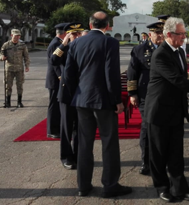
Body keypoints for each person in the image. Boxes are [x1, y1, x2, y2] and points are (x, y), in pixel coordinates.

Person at [144, 17, 189, 202]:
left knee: (176, 153)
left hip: (175, 110)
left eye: (185, 34)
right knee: (159, 153)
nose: (185, 37)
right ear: (169, 35)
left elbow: (183, 77)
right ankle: (162, 187)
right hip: (159, 111)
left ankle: (180, 189)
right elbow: (176, 80)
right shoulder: (161, 54)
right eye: (181, 34)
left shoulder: (178, 51)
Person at [62, 11, 132, 198]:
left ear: (90, 24)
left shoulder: (76, 42)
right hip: (103, 101)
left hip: (82, 100)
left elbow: (68, 74)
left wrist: (77, 93)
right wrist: (117, 100)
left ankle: (83, 186)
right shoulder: (109, 42)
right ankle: (110, 185)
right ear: (107, 26)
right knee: (109, 143)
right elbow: (111, 74)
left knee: (84, 144)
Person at [127, 21, 165, 176]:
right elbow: (132, 73)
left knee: (163, 128)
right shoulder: (139, 50)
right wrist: (132, 93)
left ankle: (163, 159)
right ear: (150, 34)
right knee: (147, 127)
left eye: (162, 33)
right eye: (157, 33)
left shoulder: (169, 49)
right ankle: (146, 161)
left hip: (164, 95)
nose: (160, 36)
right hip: (145, 95)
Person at [51, 22, 84, 170]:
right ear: (68, 35)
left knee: (80, 127)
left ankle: (78, 155)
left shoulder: (84, 47)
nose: (76, 37)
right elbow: (54, 61)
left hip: (82, 93)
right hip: (67, 93)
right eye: (73, 34)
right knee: (66, 128)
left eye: (79, 34)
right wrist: (64, 44)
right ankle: (66, 157)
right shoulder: (64, 49)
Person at [45, 23, 67, 139]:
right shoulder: (55, 44)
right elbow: (55, 64)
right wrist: (60, 76)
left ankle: (56, 127)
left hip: (57, 78)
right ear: (64, 33)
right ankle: (51, 130)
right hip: (55, 79)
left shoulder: (57, 42)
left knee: (56, 104)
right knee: (53, 105)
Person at [0, 29, 30, 108]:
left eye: (19, 36)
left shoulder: (22, 45)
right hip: (9, 68)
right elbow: (0, 55)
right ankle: (8, 102)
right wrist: (2, 57)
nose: (17, 37)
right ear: (12, 35)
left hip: (19, 68)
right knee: (8, 86)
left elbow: (26, 56)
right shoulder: (6, 45)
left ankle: (19, 102)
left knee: (20, 85)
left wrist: (27, 66)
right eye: (16, 36)